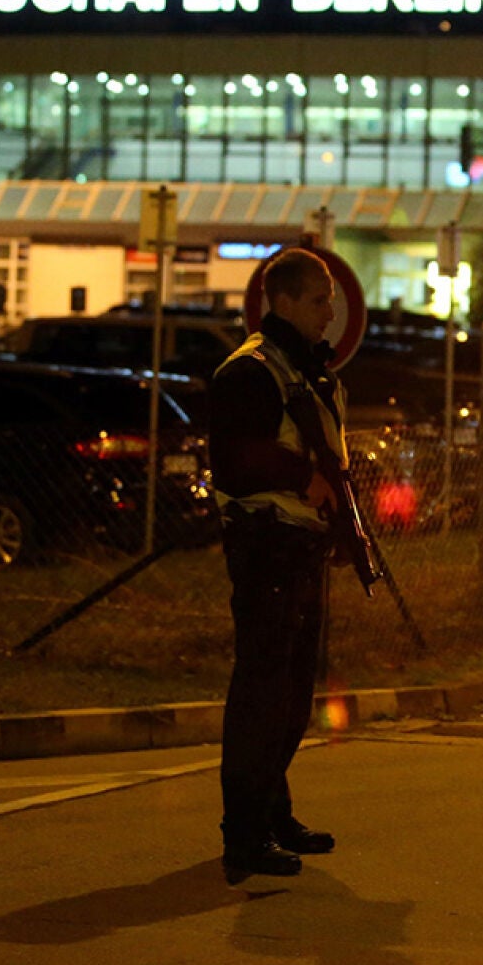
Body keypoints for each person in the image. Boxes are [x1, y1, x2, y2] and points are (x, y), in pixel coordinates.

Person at [208, 246, 347, 881]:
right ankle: (244, 834)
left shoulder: (304, 369)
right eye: (320, 300)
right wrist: (304, 479)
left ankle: (272, 812)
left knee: (291, 695)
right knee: (263, 693)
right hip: (267, 546)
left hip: (299, 547)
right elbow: (236, 461)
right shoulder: (252, 371)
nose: (331, 312)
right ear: (284, 300)